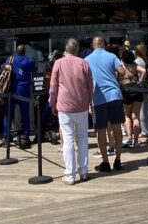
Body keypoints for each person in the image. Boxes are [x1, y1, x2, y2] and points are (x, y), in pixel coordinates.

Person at [49, 37, 94, 185]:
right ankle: (84, 171)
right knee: (82, 137)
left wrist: (52, 103)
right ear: (77, 49)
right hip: (81, 105)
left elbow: (53, 87)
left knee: (68, 139)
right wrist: (89, 102)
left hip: (64, 105)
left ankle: (69, 175)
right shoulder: (83, 63)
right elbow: (90, 86)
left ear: (65, 49)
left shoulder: (58, 63)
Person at [85, 36, 125, 172]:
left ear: (93, 45)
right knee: (117, 128)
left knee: (101, 130)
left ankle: (105, 162)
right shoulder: (111, 56)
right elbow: (122, 71)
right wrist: (117, 81)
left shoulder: (87, 60)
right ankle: (118, 160)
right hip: (114, 94)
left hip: (98, 98)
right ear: (104, 44)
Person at [2, 44, 36, 148]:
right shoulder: (30, 61)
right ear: (25, 51)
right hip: (24, 90)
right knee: (25, 114)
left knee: (8, 115)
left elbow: (3, 68)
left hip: (12, 89)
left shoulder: (10, 59)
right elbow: (34, 69)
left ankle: (6, 138)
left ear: (16, 51)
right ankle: (26, 135)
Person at [117, 49, 145, 148]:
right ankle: (136, 141)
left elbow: (117, 79)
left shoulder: (120, 67)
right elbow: (144, 71)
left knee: (127, 116)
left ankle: (129, 139)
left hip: (125, 90)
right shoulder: (135, 66)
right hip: (137, 90)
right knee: (136, 116)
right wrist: (140, 82)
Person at [134, 43, 148, 144]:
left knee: (142, 111)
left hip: (141, 88)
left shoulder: (136, 62)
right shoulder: (147, 60)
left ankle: (145, 131)